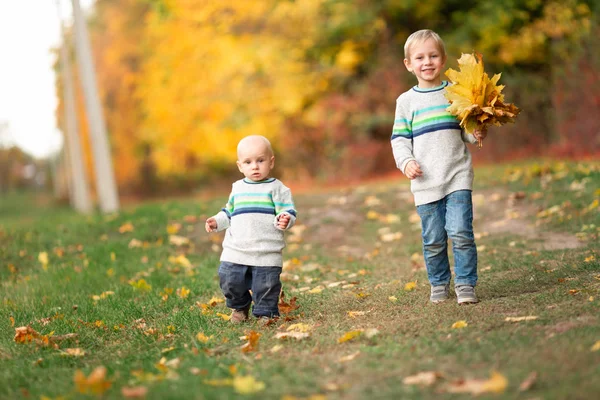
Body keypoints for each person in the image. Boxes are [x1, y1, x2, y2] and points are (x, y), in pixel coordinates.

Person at [390, 29, 487, 304]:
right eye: (419, 57)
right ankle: (439, 284)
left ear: (442, 60)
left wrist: (476, 133)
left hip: (457, 173)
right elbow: (399, 139)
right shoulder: (406, 102)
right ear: (409, 64)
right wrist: (406, 162)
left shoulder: (455, 94)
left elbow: (466, 131)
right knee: (433, 240)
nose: (427, 62)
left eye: (433, 55)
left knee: (461, 232)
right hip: (425, 181)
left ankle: (466, 284)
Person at [205, 135, 297, 323]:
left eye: (260, 160)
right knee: (229, 279)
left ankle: (265, 312)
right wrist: (216, 221)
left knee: (266, 285)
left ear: (271, 162)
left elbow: (287, 211)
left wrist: (285, 219)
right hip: (236, 249)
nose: (254, 166)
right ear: (240, 166)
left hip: (266, 249)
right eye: (248, 162)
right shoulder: (237, 188)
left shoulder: (277, 188)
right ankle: (239, 307)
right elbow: (229, 212)